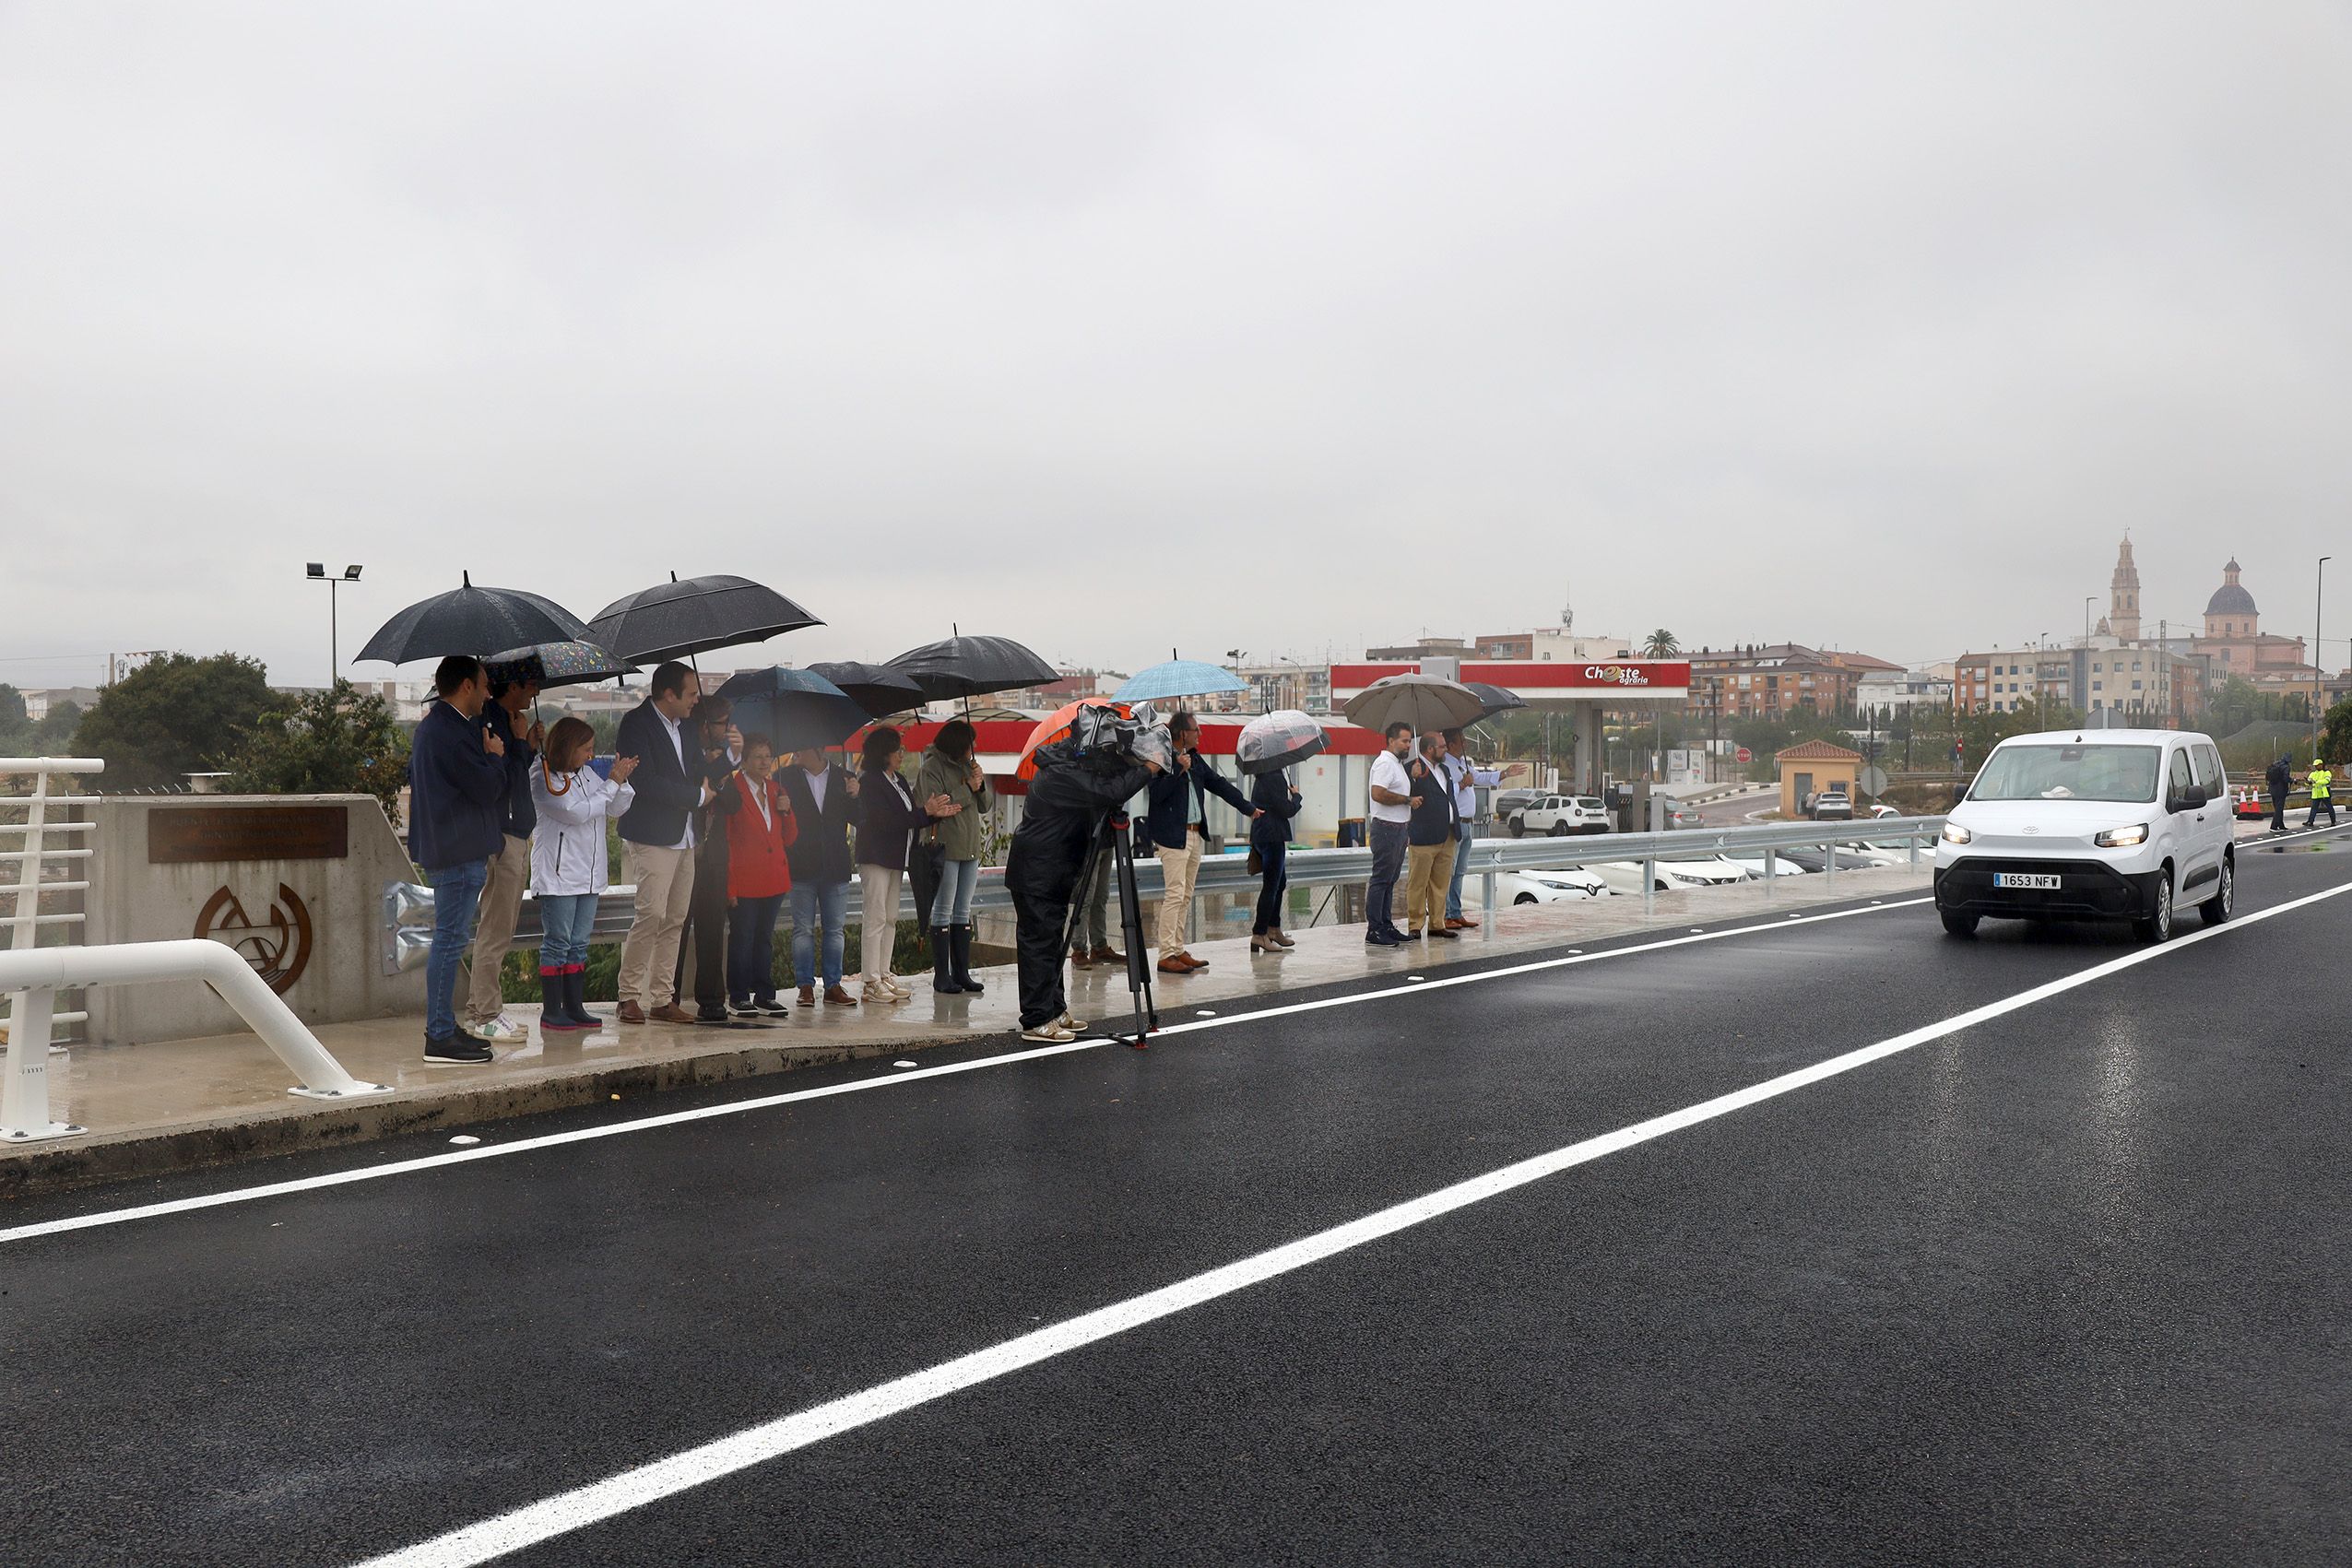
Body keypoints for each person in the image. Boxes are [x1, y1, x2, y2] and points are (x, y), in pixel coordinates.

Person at [1005, 718, 1162, 1043]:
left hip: (1051, 871)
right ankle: (1036, 1019)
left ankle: (1054, 1009)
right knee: (1039, 945)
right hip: (1038, 872)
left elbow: (1106, 786)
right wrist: (1148, 768)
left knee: (1052, 942)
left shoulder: (1066, 765)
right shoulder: (1061, 774)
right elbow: (1110, 791)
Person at [408, 655, 509, 1064]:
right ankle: (439, 1036)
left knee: (450, 941)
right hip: (457, 851)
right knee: (449, 942)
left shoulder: (438, 727)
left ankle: (445, 1028)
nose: (487, 694)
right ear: (466, 685)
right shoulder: (450, 733)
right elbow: (486, 789)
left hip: (452, 847)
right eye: (483, 686)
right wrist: (495, 756)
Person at [614, 661, 710, 1025]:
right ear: (669, 694)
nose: (696, 700)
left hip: (686, 835)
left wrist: (726, 758)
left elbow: (698, 770)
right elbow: (646, 782)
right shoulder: (636, 724)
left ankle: (662, 998)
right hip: (652, 834)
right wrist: (695, 797)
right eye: (691, 694)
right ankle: (628, 996)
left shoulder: (688, 726)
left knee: (676, 919)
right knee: (651, 914)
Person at [527, 716, 636, 1032]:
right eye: (585, 748)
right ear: (568, 746)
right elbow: (575, 812)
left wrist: (622, 781)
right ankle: (552, 1011)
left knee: (578, 944)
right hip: (559, 875)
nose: (591, 755)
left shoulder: (586, 773)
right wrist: (611, 784)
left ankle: (574, 1007)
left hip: (590, 875)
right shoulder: (542, 775)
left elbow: (614, 808)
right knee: (558, 943)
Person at [460, 671, 544, 1045]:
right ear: (513, 686)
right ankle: (486, 1015)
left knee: (502, 927)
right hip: (502, 834)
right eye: (531, 685)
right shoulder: (488, 722)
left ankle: (479, 1010)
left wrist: (529, 744)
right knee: (495, 928)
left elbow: (516, 772)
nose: (535, 693)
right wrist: (522, 742)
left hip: (516, 831)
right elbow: (501, 779)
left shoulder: (508, 720)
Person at [1144, 710, 1262, 974]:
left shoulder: (1195, 759)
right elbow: (1156, 794)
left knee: (1186, 895)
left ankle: (1178, 948)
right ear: (1182, 733)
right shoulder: (1162, 757)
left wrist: (1248, 808)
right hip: (1172, 836)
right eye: (1195, 729)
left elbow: (1218, 784)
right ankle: (1165, 954)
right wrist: (1178, 768)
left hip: (1194, 833)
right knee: (1174, 894)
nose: (1200, 733)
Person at [855, 726, 957, 1003]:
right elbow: (885, 822)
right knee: (875, 917)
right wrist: (925, 812)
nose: (902, 754)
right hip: (876, 856)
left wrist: (934, 814)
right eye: (897, 750)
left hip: (898, 857)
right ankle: (870, 981)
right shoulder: (870, 782)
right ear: (883, 753)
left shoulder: (898, 779)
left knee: (890, 917)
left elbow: (911, 817)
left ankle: (883, 974)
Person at [716, 732, 795, 1016]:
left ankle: (764, 994)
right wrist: (730, 886)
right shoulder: (732, 789)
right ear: (745, 760)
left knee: (764, 938)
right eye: (758, 757)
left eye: (768, 756)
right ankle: (739, 995)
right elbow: (726, 841)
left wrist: (787, 811)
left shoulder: (776, 789)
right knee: (743, 938)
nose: (764, 762)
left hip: (774, 878)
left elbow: (790, 838)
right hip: (744, 879)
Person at [675, 694, 741, 1024]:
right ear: (705, 726)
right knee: (676, 925)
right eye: (722, 724)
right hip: (685, 849)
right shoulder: (686, 754)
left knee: (713, 927)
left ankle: (712, 999)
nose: (727, 730)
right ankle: (668, 996)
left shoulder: (722, 762)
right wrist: (716, 767)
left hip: (714, 853)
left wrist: (722, 776)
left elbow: (734, 804)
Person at [779, 744, 861, 1006]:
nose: (795, 752)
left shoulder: (844, 777)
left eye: (801, 747)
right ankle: (805, 987)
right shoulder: (785, 777)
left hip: (835, 864)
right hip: (800, 863)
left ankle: (833, 986)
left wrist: (855, 796)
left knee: (835, 930)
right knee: (802, 929)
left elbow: (860, 818)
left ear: (817, 750)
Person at [916, 719, 992, 995]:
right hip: (945, 846)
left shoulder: (968, 766)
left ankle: (962, 972)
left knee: (963, 910)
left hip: (970, 846)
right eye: (970, 744)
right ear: (957, 745)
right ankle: (942, 975)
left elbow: (985, 806)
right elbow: (940, 805)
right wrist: (968, 788)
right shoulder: (931, 768)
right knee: (943, 908)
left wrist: (980, 785)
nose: (974, 748)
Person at [1364, 721, 1415, 946]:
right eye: (1404, 741)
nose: (1408, 745)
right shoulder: (1384, 763)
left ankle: (1385, 924)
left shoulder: (1397, 764)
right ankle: (1374, 929)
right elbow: (1378, 793)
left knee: (1390, 880)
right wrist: (1407, 800)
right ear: (1391, 741)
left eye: (1409, 741)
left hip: (1399, 828)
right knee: (1381, 879)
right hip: (1386, 828)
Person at [1403, 735, 1460, 939]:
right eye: (1442, 746)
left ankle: (1437, 923)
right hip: (1424, 835)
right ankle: (1415, 924)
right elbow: (1403, 793)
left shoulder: (1444, 770)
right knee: (1418, 882)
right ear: (1429, 749)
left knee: (1441, 882)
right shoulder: (1412, 768)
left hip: (1447, 833)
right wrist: (1413, 778)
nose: (1446, 749)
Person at [1442, 728, 1496, 931]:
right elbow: (1445, 794)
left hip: (1468, 824)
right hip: (1454, 824)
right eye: (1461, 741)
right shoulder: (1444, 766)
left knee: (1460, 871)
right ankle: (1446, 914)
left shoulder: (1463, 764)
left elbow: (1481, 778)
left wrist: (1505, 774)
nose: (1465, 744)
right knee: (1449, 871)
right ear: (1451, 744)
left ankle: (1456, 912)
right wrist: (1463, 784)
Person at [1248, 764, 1303, 953]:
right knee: (1271, 887)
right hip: (1272, 836)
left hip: (1263, 835)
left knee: (1279, 883)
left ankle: (1273, 929)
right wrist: (1296, 796)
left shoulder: (1261, 776)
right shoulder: (1274, 777)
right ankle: (1259, 933)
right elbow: (1286, 810)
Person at [1069, 843, 1125, 970]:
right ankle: (1079, 950)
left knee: (1101, 896)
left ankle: (1099, 948)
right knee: (1085, 897)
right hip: (1089, 843)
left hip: (1107, 842)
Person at [2268, 753, 2294, 833]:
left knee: (2277, 808)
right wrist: (2292, 780)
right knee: (2279, 809)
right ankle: (2273, 826)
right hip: (2280, 790)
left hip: (2272, 789)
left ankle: (2281, 825)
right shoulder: (2286, 767)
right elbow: (2285, 778)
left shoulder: (2276, 764)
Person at [2307, 757, 2335, 829]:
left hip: (2324, 793)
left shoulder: (2327, 772)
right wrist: (2308, 782)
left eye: (2317, 765)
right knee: (2314, 808)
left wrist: (2316, 782)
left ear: (2321, 765)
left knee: (2329, 808)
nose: (2316, 767)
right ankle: (2310, 822)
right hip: (2316, 794)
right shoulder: (2313, 773)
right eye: (2315, 766)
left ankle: (2333, 821)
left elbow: (2327, 781)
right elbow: (2308, 781)